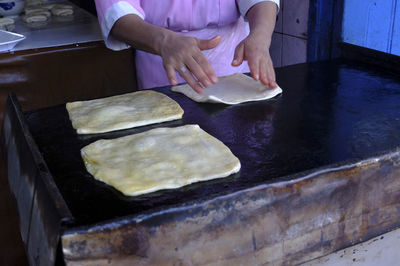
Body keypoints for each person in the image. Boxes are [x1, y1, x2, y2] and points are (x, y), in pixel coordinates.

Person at [94, 0, 279, 93]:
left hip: (234, 59)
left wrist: (261, 36)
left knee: (239, 142)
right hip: (161, 61)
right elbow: (117, 11)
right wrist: (164, 41)